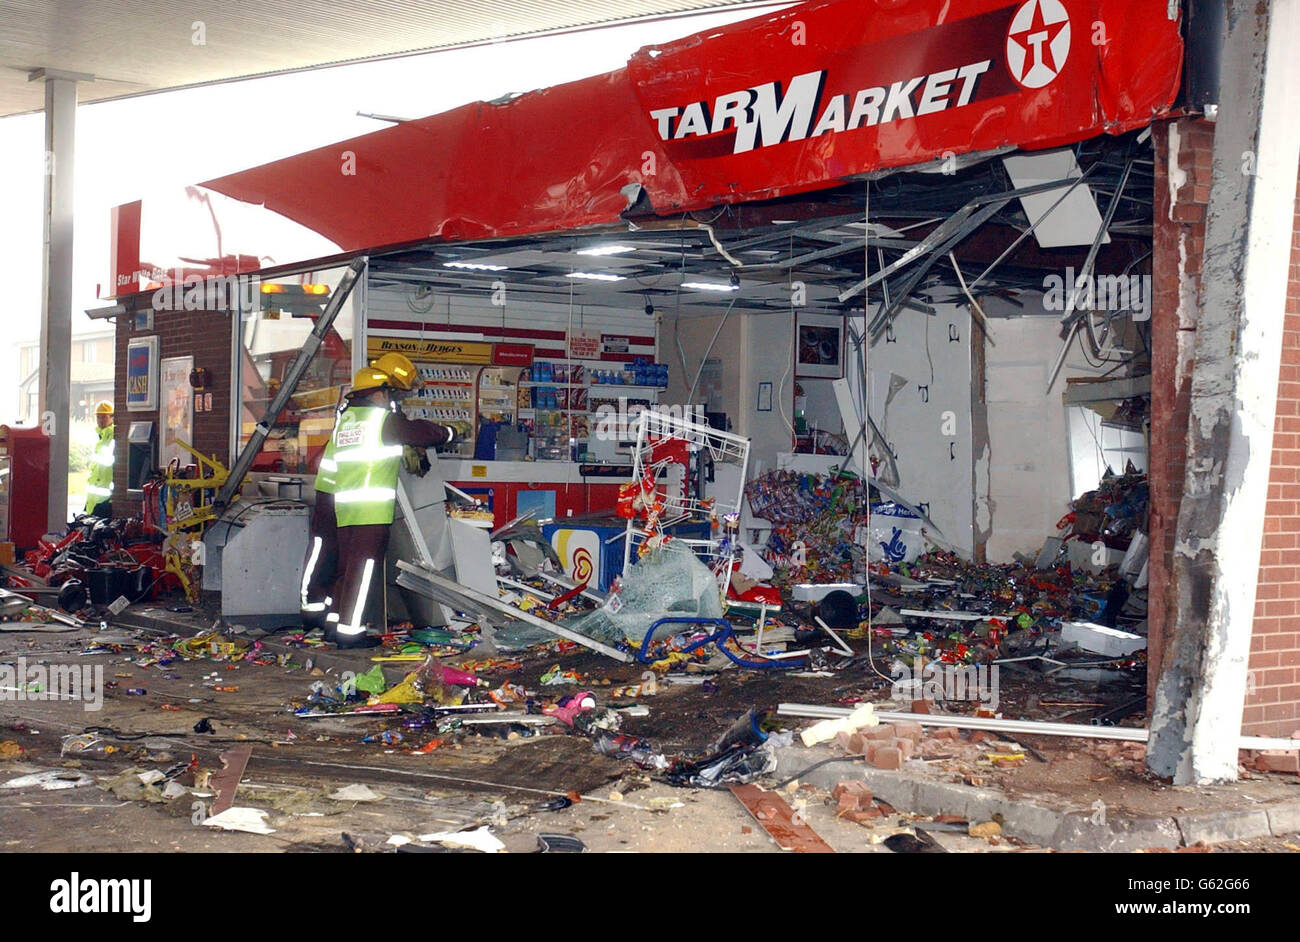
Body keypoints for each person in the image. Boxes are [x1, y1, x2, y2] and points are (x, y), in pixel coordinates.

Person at [300, 355, 456, 648]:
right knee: (363, 571)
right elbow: (420, 432)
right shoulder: (381, 420)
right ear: (378, 393)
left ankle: (335, 625)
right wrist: (450, 433)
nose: (390, 399)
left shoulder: (348, 420)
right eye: (388, 393)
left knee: (345, 569)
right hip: (370, 512)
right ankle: (350, 633)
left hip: (345, 507)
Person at [85, 401, 115, 518]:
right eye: (98, 417)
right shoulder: (99, 436)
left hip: (105, 499)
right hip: (95, 498)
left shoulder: (112, 435)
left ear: (112, 417)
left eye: (104, 417)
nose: (100, 420)